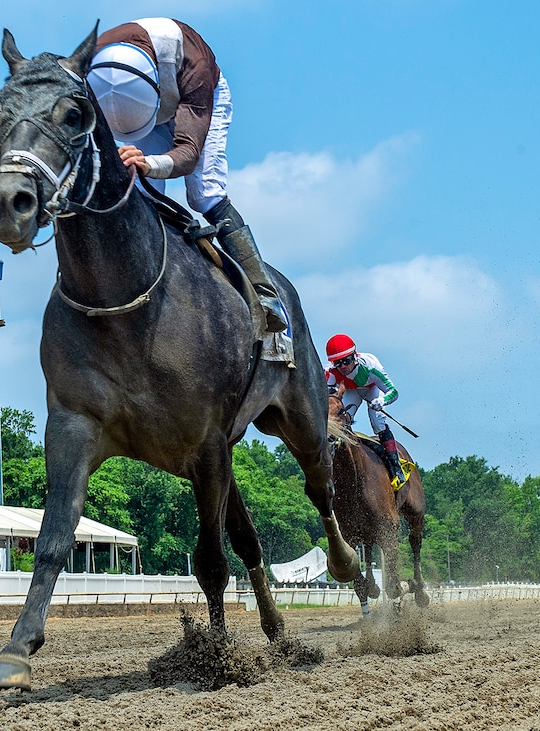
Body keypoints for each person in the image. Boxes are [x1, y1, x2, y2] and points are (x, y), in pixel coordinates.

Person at [88, 18, 287, 333]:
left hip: (199, 102)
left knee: (205, 194)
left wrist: (149, 163)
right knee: (137, 191)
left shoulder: (196, 68)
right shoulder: (92, 60)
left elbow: (188, 155)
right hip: (144, 105)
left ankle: (264, 294)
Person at [324, 333, 407, 486]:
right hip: (351, 391)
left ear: (354, 356)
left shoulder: (371, 367)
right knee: (338, 421)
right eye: (337, 363)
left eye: (346, 361)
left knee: (377, 422)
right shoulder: (330, 372)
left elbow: (393, 392)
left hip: (372, 389)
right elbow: (327, 395)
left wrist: (382, 401)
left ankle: (396, 468)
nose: (343, 366)